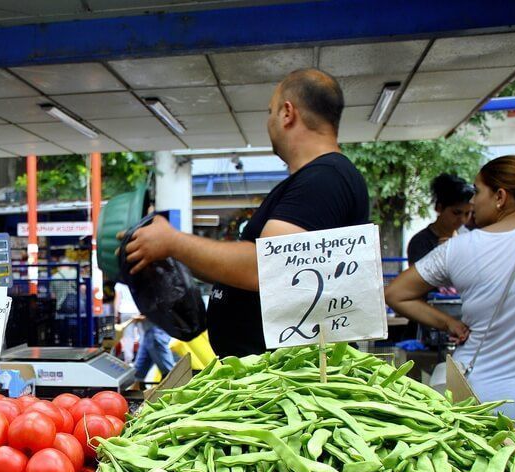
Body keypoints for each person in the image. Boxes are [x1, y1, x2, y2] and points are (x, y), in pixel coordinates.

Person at [123, 69, 369, 357]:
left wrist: (174, 242)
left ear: (287, 113)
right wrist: (169, 250)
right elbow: (253, 267)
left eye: (270, 112)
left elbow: (265, 268)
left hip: (285, 385)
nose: (269, 122)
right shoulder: (320, 178)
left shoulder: (324, 178)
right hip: (270, 379)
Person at [385, 155, 515, 429]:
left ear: (500, 196)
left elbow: (396, 294)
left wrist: (448, 323)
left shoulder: (459, 248)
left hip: (477, 405)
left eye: (478, 191)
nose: (473, 202)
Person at [407, 173, 474, 265]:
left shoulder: (468, 237)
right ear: (439, 208)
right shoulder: (421, 242)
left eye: (467, 213)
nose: (462, 219)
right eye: (456, 213)